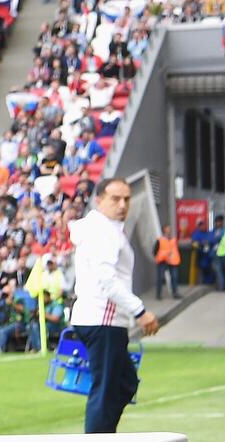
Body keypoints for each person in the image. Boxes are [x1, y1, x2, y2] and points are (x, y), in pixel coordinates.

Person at [69, 178, 159, 434]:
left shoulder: (103, 229)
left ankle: (104, 435)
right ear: (99, 200)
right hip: (103, 319)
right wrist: (140, 311)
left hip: (100, 319)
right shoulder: (103, 232)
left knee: (123, 383)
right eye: (115, 199)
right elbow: (107, 281)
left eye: (127, 199)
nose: (122, 205)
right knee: (107, 389)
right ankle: (98, 438)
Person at [153, 225, 181, 299]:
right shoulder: (160, 240)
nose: (169, 230)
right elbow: (155, 251)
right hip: (162, 261)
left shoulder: (173, 239)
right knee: (160, 278)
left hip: (172, 261)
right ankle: (158, 294)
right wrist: (160, 257)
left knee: (174, 277)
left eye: (169, 229)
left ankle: (175, 293)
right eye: (167, 229)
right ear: (164, 230)